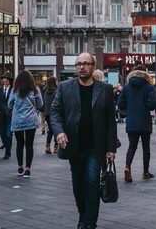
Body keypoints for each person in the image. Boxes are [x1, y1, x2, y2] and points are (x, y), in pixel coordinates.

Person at [50, 52, 117, 229]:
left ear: (93, 66)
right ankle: (83, 216)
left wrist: (111, 148)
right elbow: (55, 113)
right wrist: (59, 132)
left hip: (96, 146)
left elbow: (111, 120)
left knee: (93, 183)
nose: (81, 67)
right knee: (78, 186)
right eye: (78, 64)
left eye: (85, 64)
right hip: (74, 145)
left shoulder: (105, 89)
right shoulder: (65, 87)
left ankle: (89, 223)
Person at [117, 65, 156, 182]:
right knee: (146, 147)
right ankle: (145, 172)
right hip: (144, 119)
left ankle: (127, 167)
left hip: (131, 120)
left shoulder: (127, 86)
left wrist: (129, 107)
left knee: (132, 146)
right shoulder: (149, 87)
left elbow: (120, 103)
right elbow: (152, 103)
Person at [8, 70, 43, 177]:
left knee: (19, 144)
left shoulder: (15, 91)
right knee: (29, 144)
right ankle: (28, 168)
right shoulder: (35, 90)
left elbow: (9, 105)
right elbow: (40, 104)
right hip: (31, 120)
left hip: (18, 120)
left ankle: (19, 166)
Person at [0, 72, 14, 159]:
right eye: (4, 78)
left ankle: (8, 151)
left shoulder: (13, 90)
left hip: (10, 115)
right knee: (2, 133)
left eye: (7, 79)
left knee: (8, 134)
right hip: (0, 115)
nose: (5, 80)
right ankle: (6, 146)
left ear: (10, 80)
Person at [43, 76, 58, 154]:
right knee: (55, 130)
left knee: (51, 130)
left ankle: (47, 146)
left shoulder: (46, 91)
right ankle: (56, 147)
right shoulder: (56, 91)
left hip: (47, 113)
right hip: (54, 113)